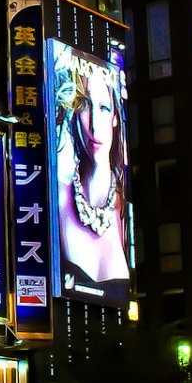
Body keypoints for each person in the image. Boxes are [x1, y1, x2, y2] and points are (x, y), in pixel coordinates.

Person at [50, 50, 131, 303]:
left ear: (116, 117)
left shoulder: (126, 208)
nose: (95, 124)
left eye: (105, 108)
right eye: (85, 107)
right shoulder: (57, 196)